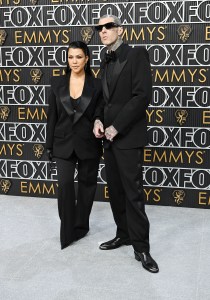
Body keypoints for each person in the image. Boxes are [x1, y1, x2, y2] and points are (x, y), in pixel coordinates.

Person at [93, 15, 159, 273]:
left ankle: (142, 247)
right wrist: (98, 119)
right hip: (108, 139)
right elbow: (104, 98)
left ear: (120, 29)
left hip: (127, 137)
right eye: (100, 28)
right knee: (116, 192)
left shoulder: (137, 55)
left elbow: (142, 97)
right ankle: (124, 234)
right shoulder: (104, 59)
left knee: (132, 194)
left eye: (109, 26)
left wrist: (116, 126)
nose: (103, 31)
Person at [46, 41, 103, 249]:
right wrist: (49, 145)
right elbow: (52, 116)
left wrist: (99, 121)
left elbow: (100, 111)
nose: (74, 61)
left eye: (79, 57)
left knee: (87, 187)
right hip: (62, 143)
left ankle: (81, 226)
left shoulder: (97, 84)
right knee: (65, 186)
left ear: (87, 59)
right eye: (70, 57)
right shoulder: (56, 82)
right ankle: (67, 227)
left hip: (88, 143)